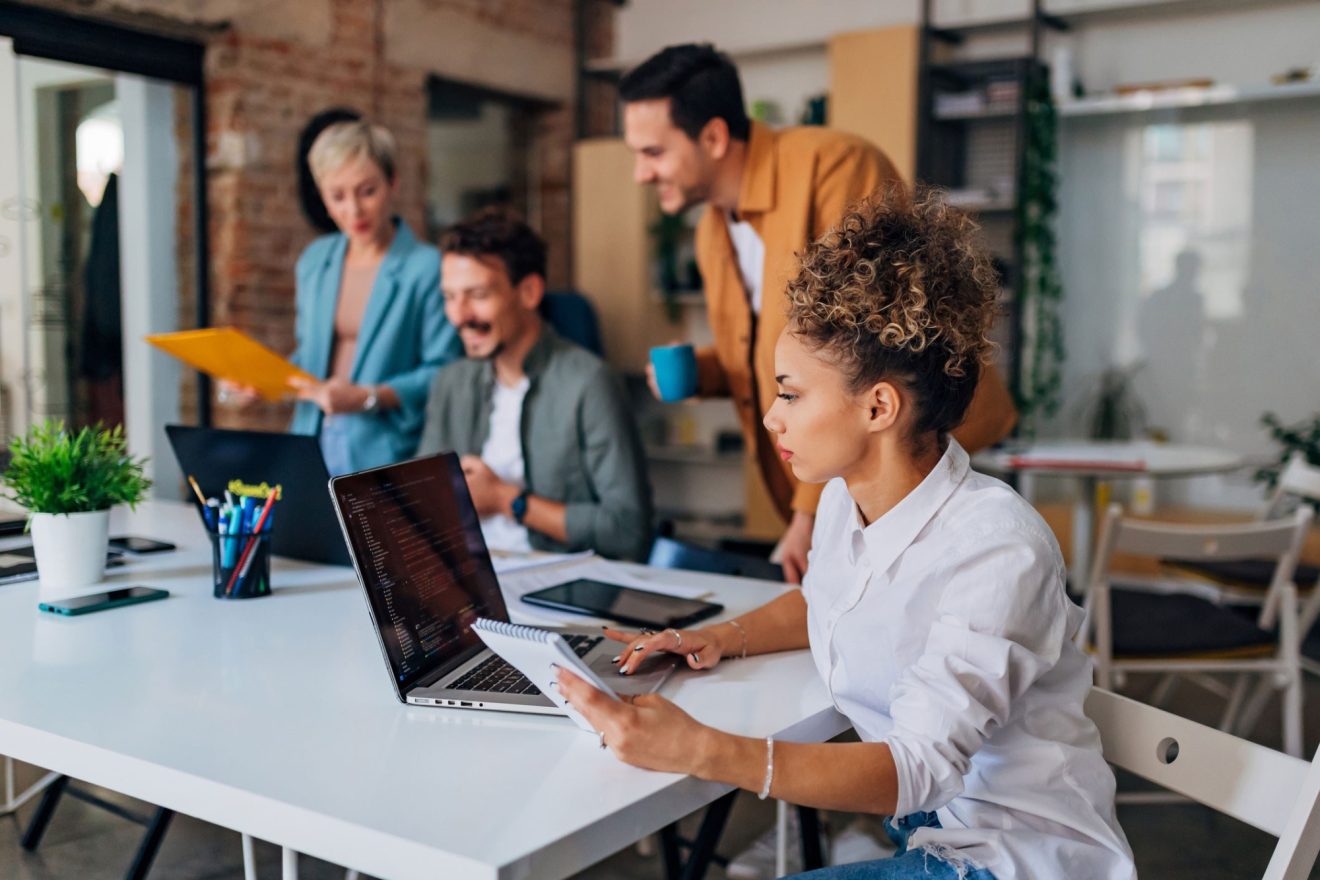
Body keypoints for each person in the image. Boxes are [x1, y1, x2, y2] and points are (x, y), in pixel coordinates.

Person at [557, 192, 1135, 880]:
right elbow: (824, 598)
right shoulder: (842, 499)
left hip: (1013, 858)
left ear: (878, 406)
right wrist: (713, 637)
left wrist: (701, 750)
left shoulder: (998, 549)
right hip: (929, 832)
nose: (772, 419)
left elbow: (915, 769)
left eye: (791, 393)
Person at [619, 44, 1018, 583]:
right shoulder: (714, 229)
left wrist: (809, 517)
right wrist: (704, 372)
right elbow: (775, 352)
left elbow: (870, 349)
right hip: (837, 480)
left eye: (652, 152)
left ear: (712, 137)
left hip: (925, 455)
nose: (641, 174)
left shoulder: (834, 165)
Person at [416, 207, 653, 562]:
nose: (458, 316)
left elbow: (628, 530)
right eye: (450, 297)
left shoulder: (589, 383)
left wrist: (505, 499)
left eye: (477, 295)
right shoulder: (452, 382)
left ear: (528, 292)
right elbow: (420, 504)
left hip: (556, 579)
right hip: (466, 576)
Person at [225, 119, 461, 475]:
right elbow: (309, 356)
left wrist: (367, 397)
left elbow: (444, 371)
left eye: (367, 191)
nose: (354, 210)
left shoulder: (427, 267)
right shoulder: (315, 261)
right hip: (311, 436)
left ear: (393, 182)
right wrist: (262, 380)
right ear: (323, 197)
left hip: (386, 448)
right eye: (337, 196)